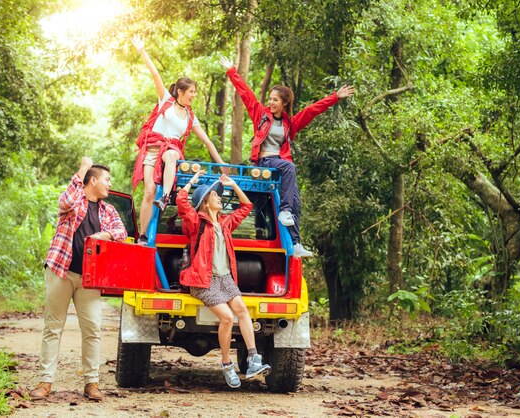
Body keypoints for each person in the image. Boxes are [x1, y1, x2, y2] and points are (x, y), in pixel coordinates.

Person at [220, 57, 354, 257]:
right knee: (289, 170)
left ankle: (296, 243)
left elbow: (312, 110)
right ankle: (284, 211)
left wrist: (335, 96)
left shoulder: (290, 123)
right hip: (266, 163)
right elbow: (245, 94)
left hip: (281, 165)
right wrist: (232, 71)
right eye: (271, 99)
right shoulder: (260, 115)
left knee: (296, 202)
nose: (271, 102)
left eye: (275, 100)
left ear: (284, 103)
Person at [29, 157, 127, 401]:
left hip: (90, 278)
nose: (109, 184)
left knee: (92, 329)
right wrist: (83, 167)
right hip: (60, 270)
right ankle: (45, 381)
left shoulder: (108, 210)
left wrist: (107, 233)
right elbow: (65, 200)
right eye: (106, 179)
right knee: (53, 327)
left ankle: (91, 383)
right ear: (92, 180)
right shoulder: (75, 202)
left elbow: (122, 232)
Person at [176, 171, 271, 388]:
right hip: (203, 280)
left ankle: (253, 359)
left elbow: (246, 207)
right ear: (205, 202)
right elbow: (181, 202)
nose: (220, 197)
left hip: (225, 278)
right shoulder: (195, 221)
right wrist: (192, 181)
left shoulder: (226, 223)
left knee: (242, 311)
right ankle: (227, 365)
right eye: (215, 195)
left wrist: (234, 184)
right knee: (227, 318)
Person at [131, 35, 227, 246]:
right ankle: (144, 236)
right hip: (152, 149)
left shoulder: (191, 117)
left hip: (169, 151)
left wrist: (223, 168)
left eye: (195, 93)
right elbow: (155, 74)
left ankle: (165, 195)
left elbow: (208, 142)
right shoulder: (166, 100)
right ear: (181, 92)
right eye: (191, 92)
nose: (194, 96)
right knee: (148, 192)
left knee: (173, 153)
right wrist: (142, 51)